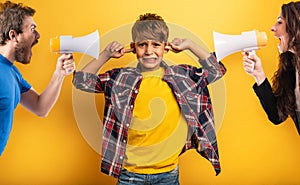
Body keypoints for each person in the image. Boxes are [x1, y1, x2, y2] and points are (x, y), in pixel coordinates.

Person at [73, 13, 226, 184]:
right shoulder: (120, 78)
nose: (149, 51)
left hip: (168, 174)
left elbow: (216, 70)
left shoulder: (181, 76)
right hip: (129, 174)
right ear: (133, 47)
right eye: (142, 45)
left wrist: (189, 45)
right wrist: (105, 54)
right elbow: (81, 81)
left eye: (156, 44)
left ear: (165, 47)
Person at [0, 1, 75, 156]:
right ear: (13, 35)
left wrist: (59, 73)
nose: (38, 36)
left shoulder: (13, 74)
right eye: (32, 29)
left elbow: (40, 107)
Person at [243, 1, 300, 135]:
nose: (272, 28)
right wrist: (259, 74)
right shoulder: (292, 68)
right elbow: (277, 115)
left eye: (279, 22)